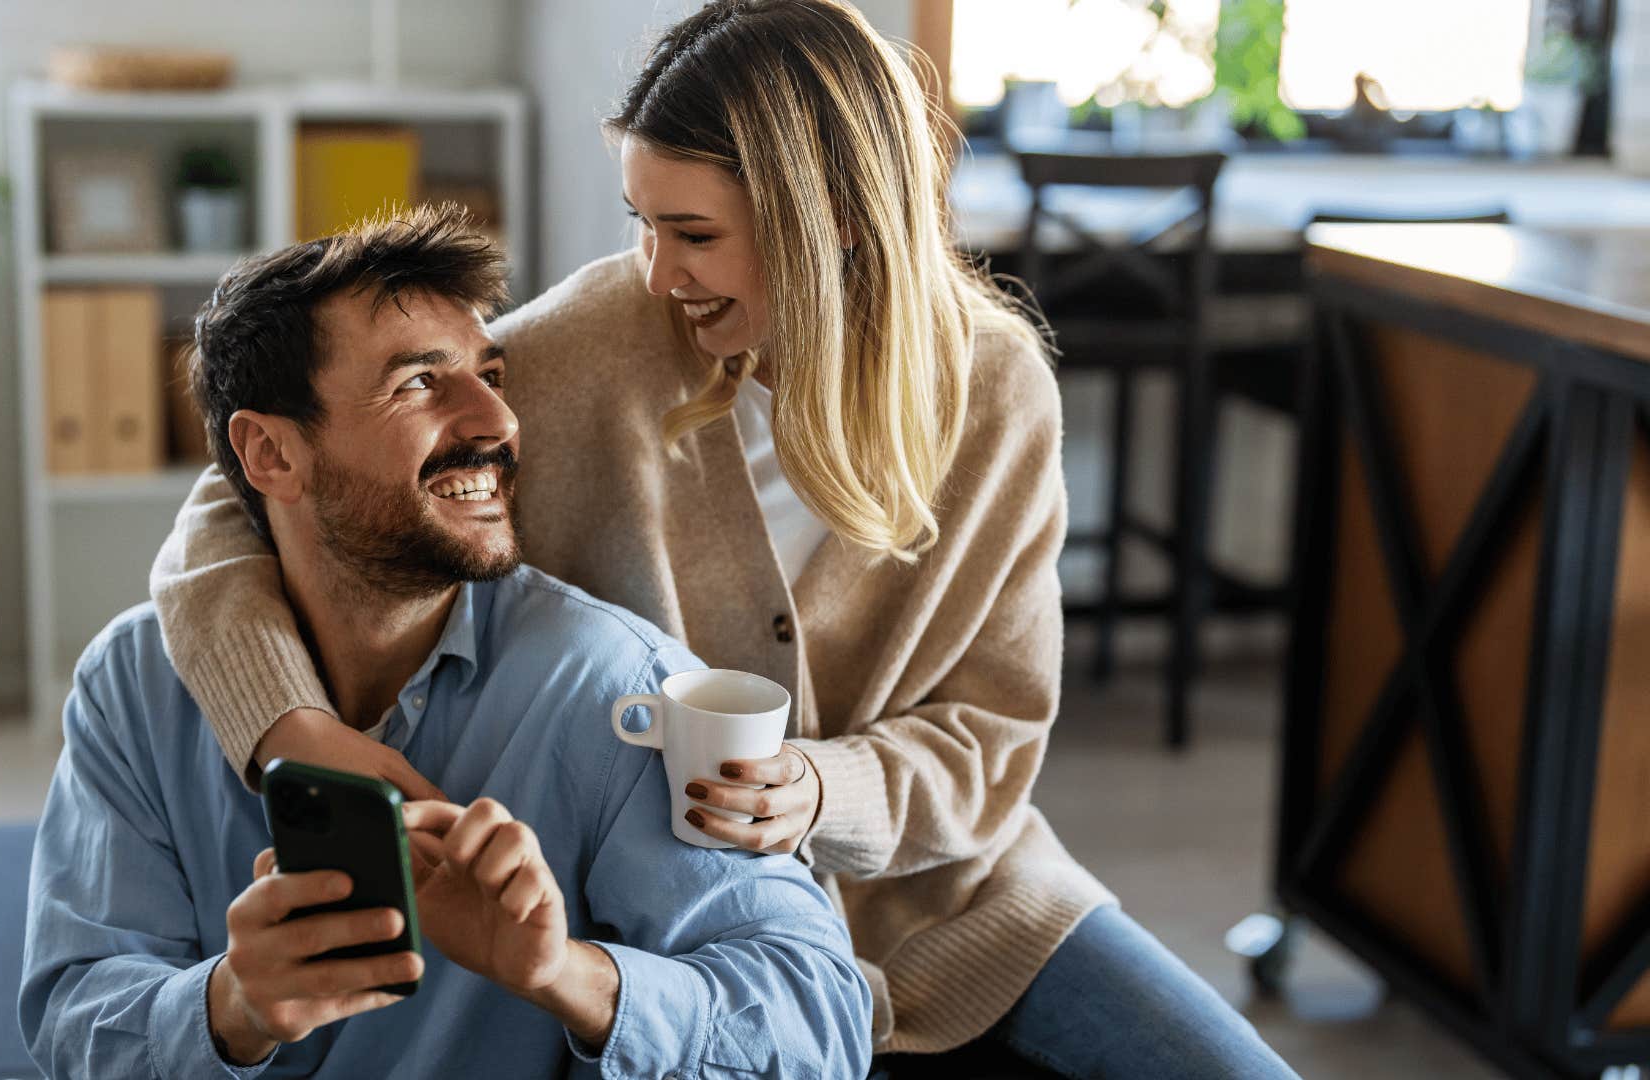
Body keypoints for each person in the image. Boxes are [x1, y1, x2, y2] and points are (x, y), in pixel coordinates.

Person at [149, 2, 1300, 1076]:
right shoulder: (604, 342)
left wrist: (818, 788)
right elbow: (250, 493)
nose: (657, 271)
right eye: (643, 224)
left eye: (693, 232)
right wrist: (288, 724)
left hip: (964, 904)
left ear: (830, 221)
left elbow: (990, 742)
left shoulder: (996, 396)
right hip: (674, 923)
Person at [20, 206, 872, 1079]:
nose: (497, 421)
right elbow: (73, 1015)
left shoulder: (614, 691)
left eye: (490, 374)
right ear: (271, 454)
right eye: (421, 384)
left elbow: (819, 1025)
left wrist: (565, 973)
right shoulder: (133, 686)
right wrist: (234, 1006)